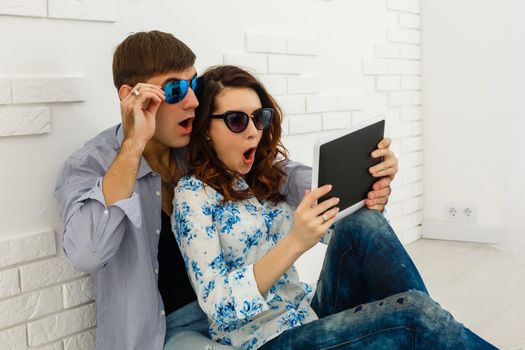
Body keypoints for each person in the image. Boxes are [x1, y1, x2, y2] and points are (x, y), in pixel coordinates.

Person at [54, 31, 398, 350]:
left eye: (193, 84)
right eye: (173, 91)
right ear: (130, 97)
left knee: (366, 231)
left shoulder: (198, 146)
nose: (191, 101)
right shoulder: (91, 164)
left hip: (256, 316)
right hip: (170, 332)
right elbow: (87, 253)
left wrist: (360, 181)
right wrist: (133, 144)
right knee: (405, 321)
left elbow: (277, 172)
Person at [172, 65, 496, 350]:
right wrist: (295, 242)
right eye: (236, 120)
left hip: (306, 315)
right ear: (207, 131)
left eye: (260, 117)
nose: (254, 130)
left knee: (362, 223)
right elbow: (219, 306)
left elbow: (339, 234)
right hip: (265, 341)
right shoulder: (194, 197)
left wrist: (375, 188)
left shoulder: (272, 175)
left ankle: (432, 336)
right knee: (413, 314)